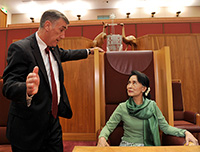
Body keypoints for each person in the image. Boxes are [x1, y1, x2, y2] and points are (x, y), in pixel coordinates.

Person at [3, 10, 103, 152]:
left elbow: (67, 54)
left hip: (53, 124)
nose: (63, 36)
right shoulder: (20, 49)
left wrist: (90, 51)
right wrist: (27, 88)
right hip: (28, 129)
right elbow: (8, 86)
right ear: (48, 25)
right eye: (61, 30)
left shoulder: (54, 48)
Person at [97, 70, 199, 147]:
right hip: (127, 146)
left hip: (148, 147)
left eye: (134, 83)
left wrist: (185, 132)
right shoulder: (122, 107)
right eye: (128, 83)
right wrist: (102, 137)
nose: (129, 86)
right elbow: (109, 127)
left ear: (144, 88)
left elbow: (166, 128)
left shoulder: (152, 106)